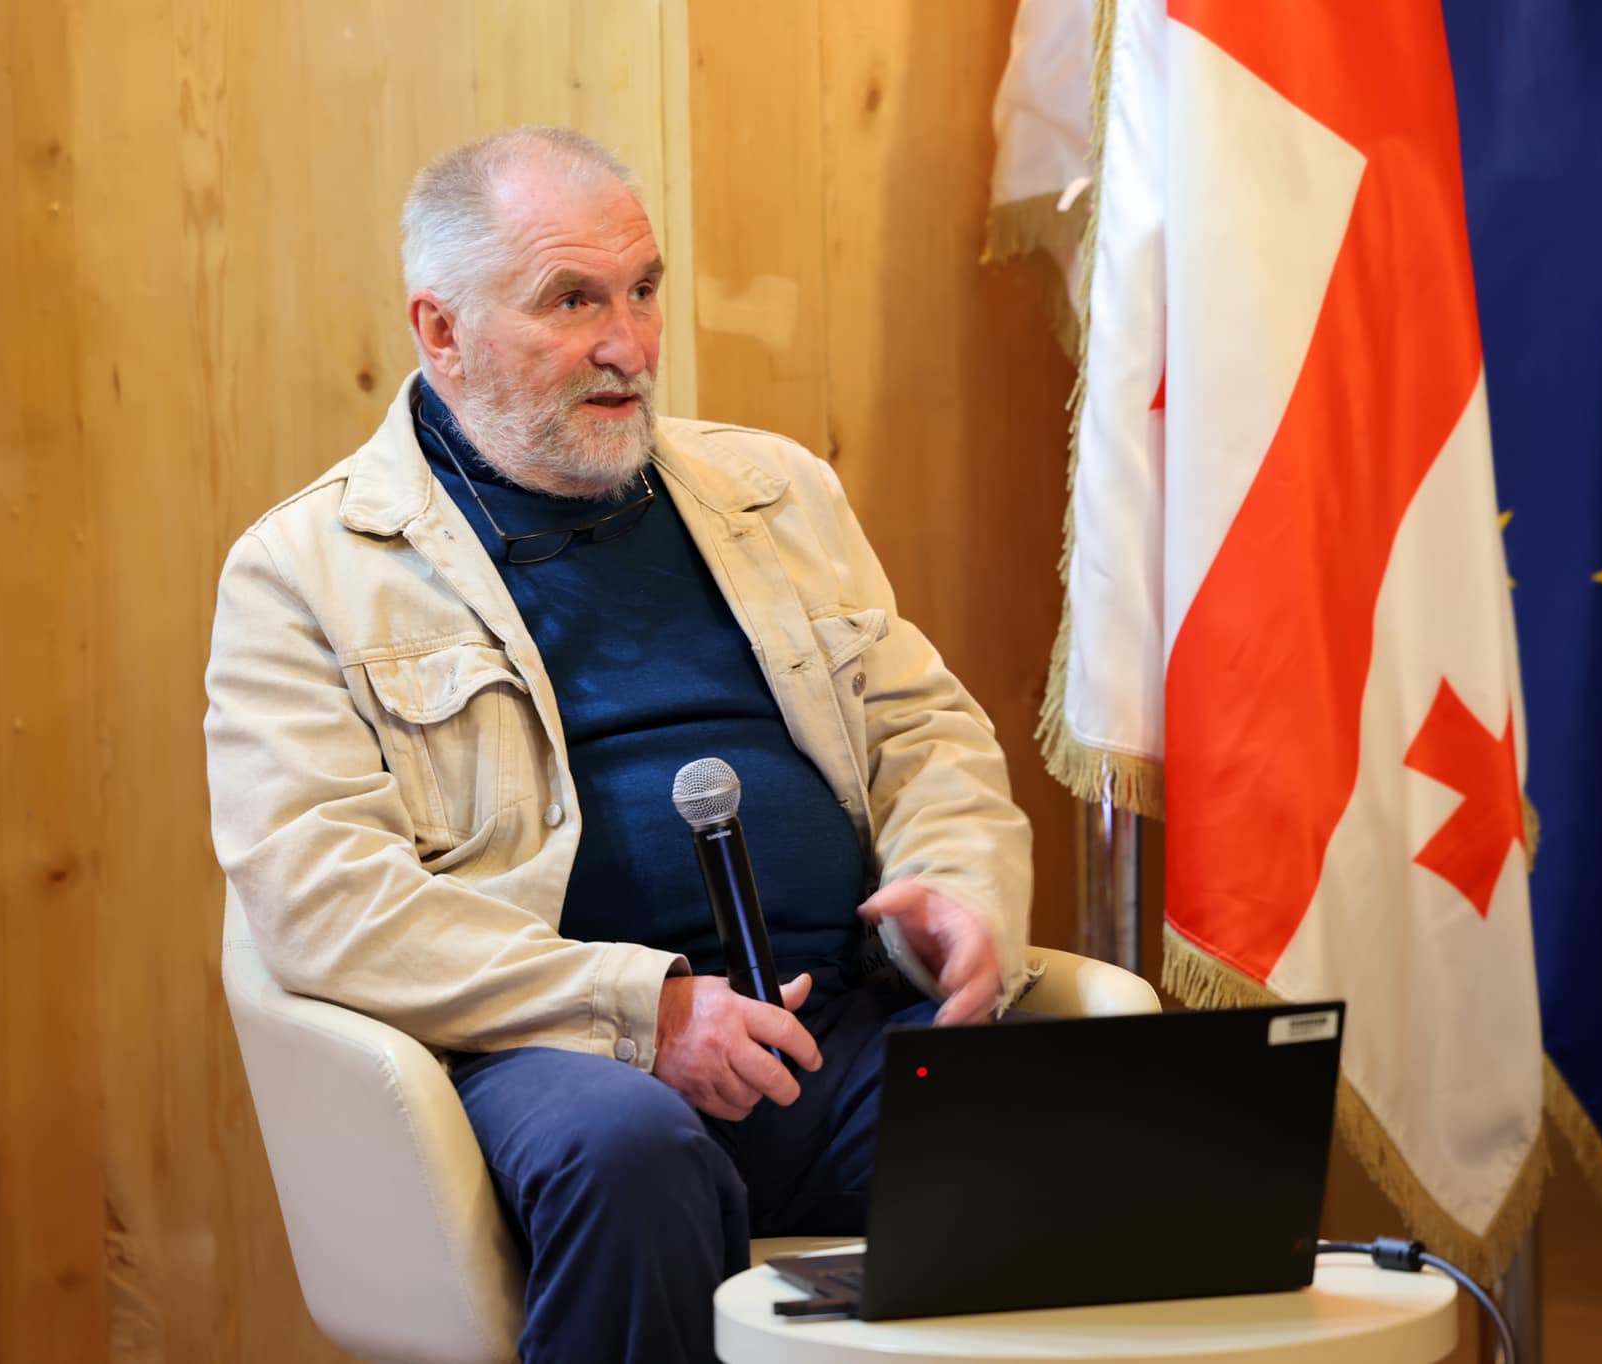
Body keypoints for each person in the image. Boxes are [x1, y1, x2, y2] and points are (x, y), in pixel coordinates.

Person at [203, 125, 1032, 1363]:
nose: (629, 346)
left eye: (642, 290)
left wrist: (957, 883)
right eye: (571, 301)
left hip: (840, 1016)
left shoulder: (776, 491)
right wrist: (644, 1009)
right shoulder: (305, 570)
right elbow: (323, 900)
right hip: (548, 1054)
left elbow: (922, 730)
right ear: (441, 332)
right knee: (630, 1154)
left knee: (1078, 1114)